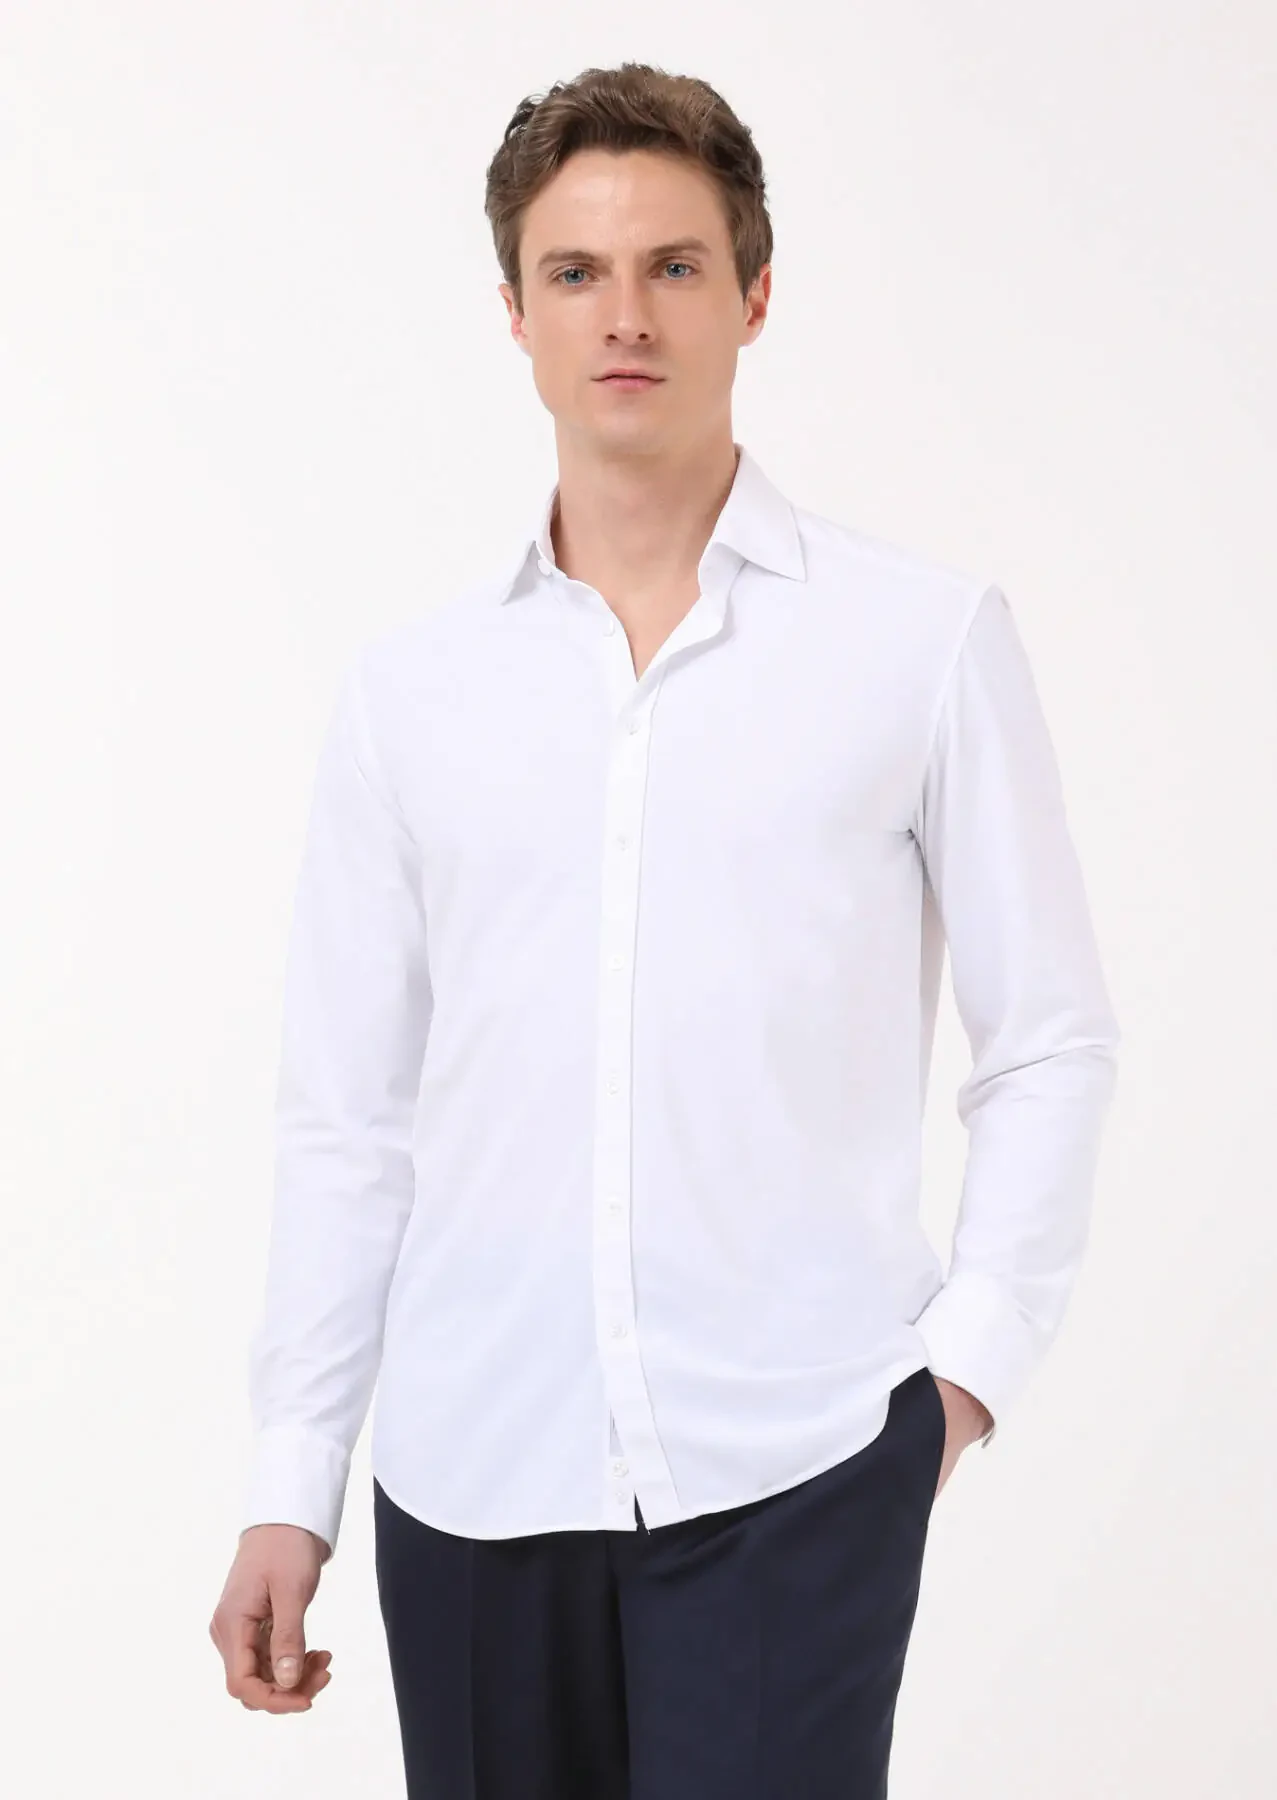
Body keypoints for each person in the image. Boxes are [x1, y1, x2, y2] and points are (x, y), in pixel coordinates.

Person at [209, 59, 1120, 1798]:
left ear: (754, 295)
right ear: (516, 313)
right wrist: (290, 1478)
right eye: (576, 273)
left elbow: (1051, 1039)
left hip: (801, 1468)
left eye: (674, 267)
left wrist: (961, 1380)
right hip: (469, 1482)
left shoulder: (919, 643)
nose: (625, 315)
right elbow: (348, 1121)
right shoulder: (412, 698)